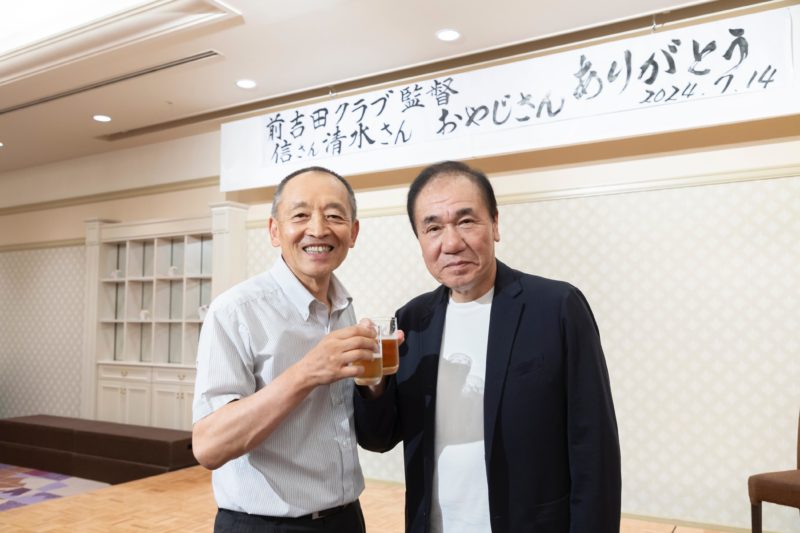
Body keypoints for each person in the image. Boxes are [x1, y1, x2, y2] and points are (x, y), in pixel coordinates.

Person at [354, 161, 621, 533]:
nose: (451, 243)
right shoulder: (413, 321)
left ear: (495, 224)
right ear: (420, 239)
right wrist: (371, 383)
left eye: (466, 221)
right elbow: (379, 438)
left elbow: (594, 447)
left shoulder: (556, 307)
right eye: (433, 228)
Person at [193, 166, 380, 533]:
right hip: (263, 525)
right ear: (274, 231)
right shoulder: (235, 311)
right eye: (300, 215)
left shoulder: (344, 307)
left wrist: (373, 382)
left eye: (334, 216)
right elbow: (208, 446)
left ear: (353, 232)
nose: (318, 229)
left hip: (345, 518)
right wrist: (307, 372)